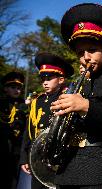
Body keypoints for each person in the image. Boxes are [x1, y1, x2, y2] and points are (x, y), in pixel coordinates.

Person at [49, 3, 102, 188]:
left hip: (96, 168)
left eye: (92, 50)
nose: (85, 57)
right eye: (80, 52)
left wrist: (85, 106)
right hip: (66, 165)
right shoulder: (77, 83)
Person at [19, 52, 74, 189]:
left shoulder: (68, 99)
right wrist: (25, 158)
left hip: (61, 160)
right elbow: (28, 132)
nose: (45, 82)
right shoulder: (37, 102)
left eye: (49, 78)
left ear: (61, 79)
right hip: (39, 158)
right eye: (42, 78)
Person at [0, 71, 27, 189]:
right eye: (13, 87)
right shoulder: (1, 104)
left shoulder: (24, 106)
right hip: (3, 147)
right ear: (6, 88)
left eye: (19, 88)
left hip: (17, 150)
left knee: (14, 181)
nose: (17, 90)